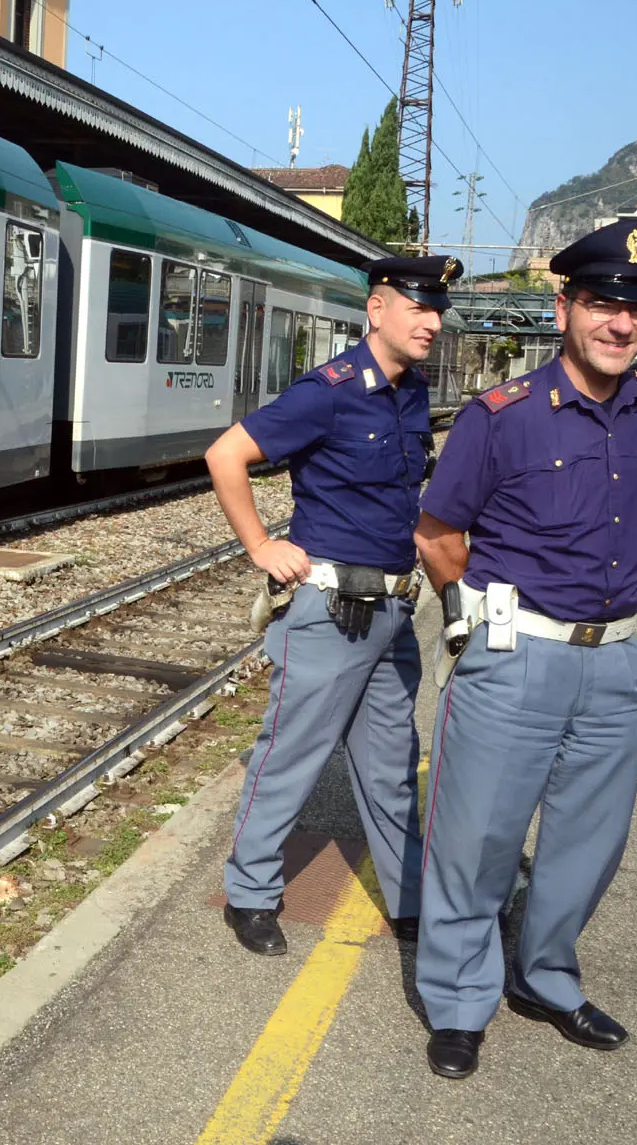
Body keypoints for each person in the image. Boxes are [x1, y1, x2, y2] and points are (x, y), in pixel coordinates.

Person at [413, 219, 637, 1081]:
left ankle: (545, 977)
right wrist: (475, 626)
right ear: (564, 306)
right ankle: (460, 1001)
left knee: (587, 843)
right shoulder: (503, 419)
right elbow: (437, 533)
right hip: (515, 656)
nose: (622, 323)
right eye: (605, 302)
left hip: (617, 665)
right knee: (477, 841)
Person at [203, 254, 457, 956]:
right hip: (328, 614)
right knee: (289, 760)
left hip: (392, 614)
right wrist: (259, 545)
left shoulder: (412, 392)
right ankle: (250, 894)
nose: (432, 322)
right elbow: (225, 455)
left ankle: (407, 898)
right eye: (417, 308)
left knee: (389, 766)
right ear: (378, 309)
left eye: (437, 310)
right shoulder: (330, 391)